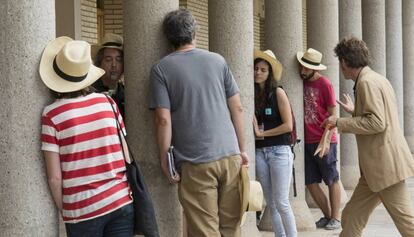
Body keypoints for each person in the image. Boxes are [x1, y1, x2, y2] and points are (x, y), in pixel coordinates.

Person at [149, 9, 249, 237]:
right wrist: (241, 150)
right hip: (230, 156)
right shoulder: (218, 60)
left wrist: (165, 159)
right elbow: (238, 108)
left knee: (205, 231)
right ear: (194, 32)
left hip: (195, 162)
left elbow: (163, 119)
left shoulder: (161, 69)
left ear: (168, 37)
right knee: (231, 229)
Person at [39, 36, 134, 237]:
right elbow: (126, 154)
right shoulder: (108, 102)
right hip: (120, 201)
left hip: (82, 209)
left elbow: (55, 178)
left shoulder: (51, 115)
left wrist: (65, 210)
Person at [324, 37, 414, 237]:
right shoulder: (377, 78)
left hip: (386, 169)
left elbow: (377, 122)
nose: (340, 67)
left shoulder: (366, 83)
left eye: (340, 62)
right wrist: (355, 111)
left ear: (345, 62)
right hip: (376, 171)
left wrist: (339, 122)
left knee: (408, 226)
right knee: (350, 218)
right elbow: (381, 117)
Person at [253, 49, 297, 237]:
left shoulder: (278, 92)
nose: (258, 73)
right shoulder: (253, 95)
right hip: (260, 153)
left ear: (270, 73)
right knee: (270, 204)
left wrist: (262, 133)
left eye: (263, 70)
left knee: (282, 202)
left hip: (279, 151)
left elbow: (288, 125)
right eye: (255, 69)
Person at [296, 48, 341, 230]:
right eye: (302, 67)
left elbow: (332, 115)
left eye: (307, 68)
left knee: (331, 179)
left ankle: (336, 218)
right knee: (310, 182)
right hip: (306, 140)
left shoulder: (325, 85)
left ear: (316, 69)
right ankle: (327, 215)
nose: (303, 71)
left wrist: (327, 140)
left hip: (324, 140)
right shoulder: (301, 83)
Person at [92, 33, 125, 116]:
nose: (114, 65)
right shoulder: (91, 91)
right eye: (108, 60)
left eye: (119, 60)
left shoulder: (126, 92)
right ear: (99, 63)